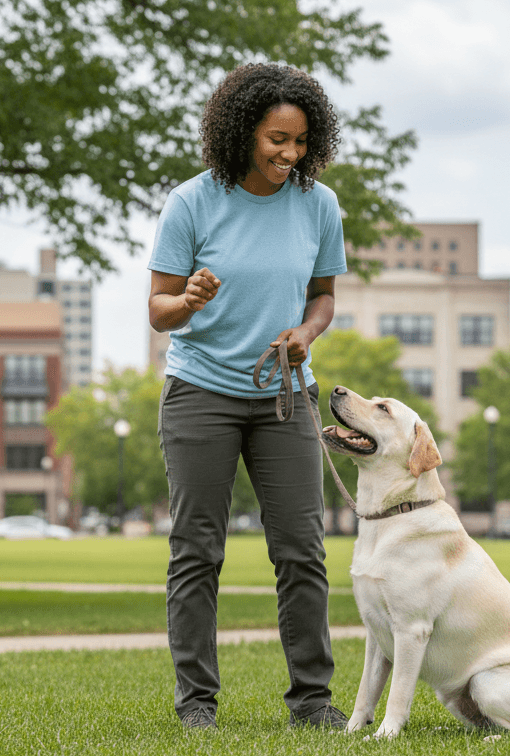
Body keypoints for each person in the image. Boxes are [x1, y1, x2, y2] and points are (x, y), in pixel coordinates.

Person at [146, 62, 349, 731]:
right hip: (200, 392)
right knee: (197, 550)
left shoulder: (317, 205)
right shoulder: (192, 202)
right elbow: (158, 310)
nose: (289, 155)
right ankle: (196, 705)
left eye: (300, 141)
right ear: (241, 133)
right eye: (276, 140)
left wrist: (307, 334)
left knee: (301, 548)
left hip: (286, 395)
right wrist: (189, 298)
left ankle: (313, 703)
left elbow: (323, 298)